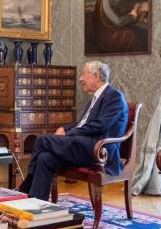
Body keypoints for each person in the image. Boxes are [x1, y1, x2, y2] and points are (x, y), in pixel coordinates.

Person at [18, 61, 128, 200]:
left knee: (41, 140)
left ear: (96, 76)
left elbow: (100, 126)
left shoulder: (114, 96)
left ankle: (26, 186)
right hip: (83, 145)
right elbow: (82, 123)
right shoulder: (96, 98)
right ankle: (36, 203)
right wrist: (64, 128)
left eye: (84, 75)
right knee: (44, 158)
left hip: (99, 151)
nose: (80, 79)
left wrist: (69, 134)